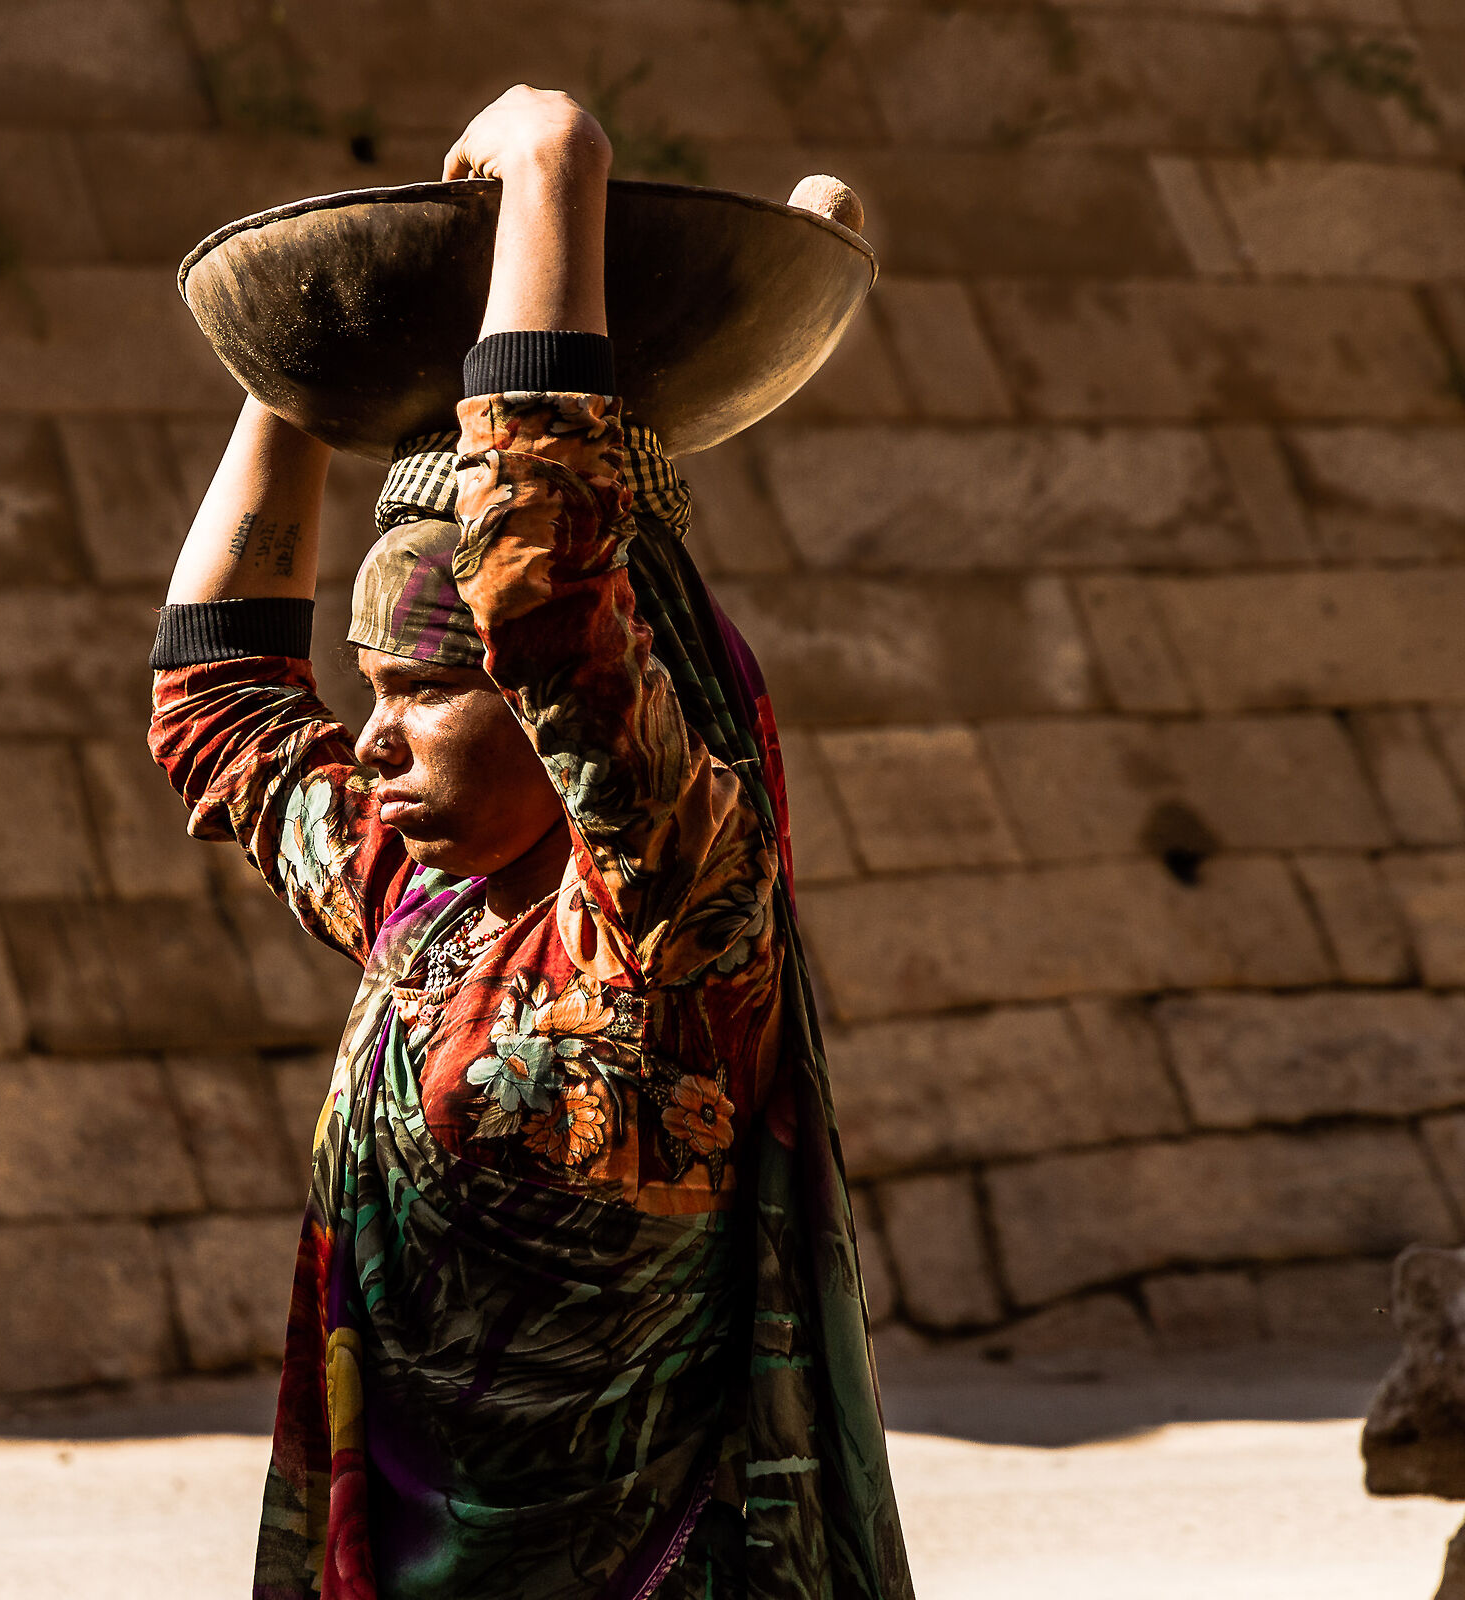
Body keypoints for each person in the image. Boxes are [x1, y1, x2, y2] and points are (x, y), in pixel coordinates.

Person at [147, 87, 912, 1599]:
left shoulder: (679, 927)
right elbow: (216, 699)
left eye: (422, 689)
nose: (368, 741)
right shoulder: (426, 914)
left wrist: (560, 164)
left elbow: (545, 607)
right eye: (374, 690)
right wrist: (306, 363)